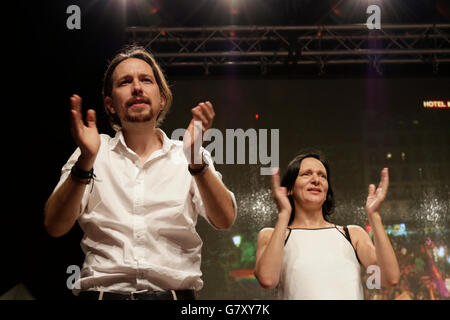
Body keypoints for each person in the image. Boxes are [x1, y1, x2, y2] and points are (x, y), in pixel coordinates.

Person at [44, 46, 237, 300]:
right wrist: (86, 161)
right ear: (110, 105)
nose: (137, 88)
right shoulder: (92, 153)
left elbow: (224, 219)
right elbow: (55, 226)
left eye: (146, 80)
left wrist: (196, 162)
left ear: (162, 99)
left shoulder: (188, 155)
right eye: (125, 82)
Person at [254, 152, 400, 299]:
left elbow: (389, 278)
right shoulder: (271, 235)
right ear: (290, 188)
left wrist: (374, 216)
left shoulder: (352, 235)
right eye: (306, 174)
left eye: (322, 176)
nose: (316, 180)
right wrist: (284, 214)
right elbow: (267, 280)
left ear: (327, 191)